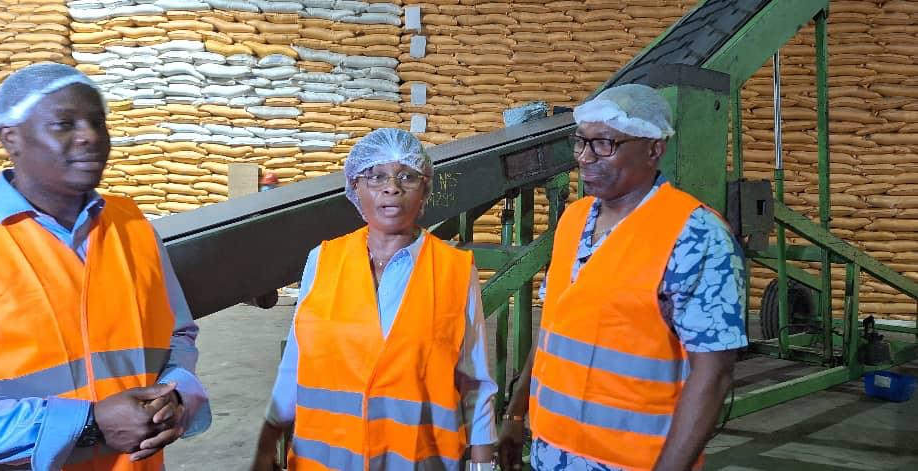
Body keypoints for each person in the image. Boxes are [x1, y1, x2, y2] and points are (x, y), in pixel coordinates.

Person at [0, 63, 211, 470]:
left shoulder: (134, 229)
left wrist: (178, 394)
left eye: (97, 122)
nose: (90, 136)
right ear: (11, 138)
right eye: (64, 124)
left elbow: (177, 335)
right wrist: (87, 425)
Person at [498, 84, 747, 471]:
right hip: (552, 454)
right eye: (581, 142)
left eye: (604, 144)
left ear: (653, 149)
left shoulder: (695, 235)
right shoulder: (574, 219)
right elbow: (553, 326)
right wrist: (516, 413)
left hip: (632, 461)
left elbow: (713, 375)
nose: (585, 157)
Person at [251, 128, 498, 470]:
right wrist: (267, 441)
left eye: (407, 176)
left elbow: (475, 380)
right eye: (376, 176)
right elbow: (296, 361)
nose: (391, 187)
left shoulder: (454, 270)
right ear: (355, 187)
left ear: (425, 190)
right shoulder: (323, 261)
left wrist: (483, 463)